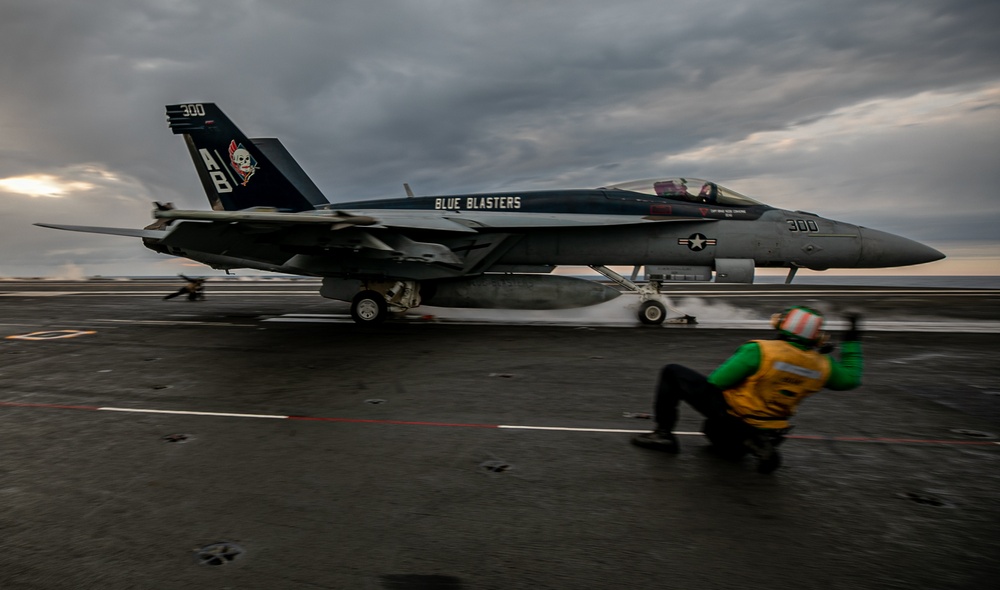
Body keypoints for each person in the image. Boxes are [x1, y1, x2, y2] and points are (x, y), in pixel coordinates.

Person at [631, 306, 863, 473]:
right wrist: (852, 339)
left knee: (672, 372)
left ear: (783, 325)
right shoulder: (823, 364)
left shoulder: (761, 350)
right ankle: (755, 443)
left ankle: (663, 435)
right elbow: (851, 379)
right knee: (712, 431)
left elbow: (718, 382)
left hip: (737, 419)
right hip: (775, 430)